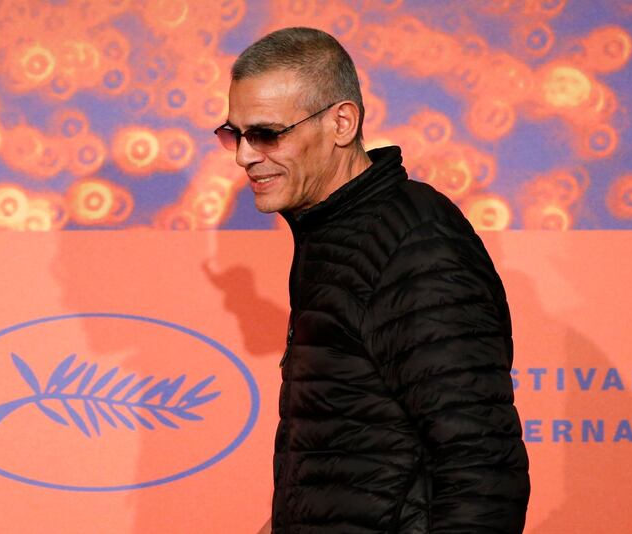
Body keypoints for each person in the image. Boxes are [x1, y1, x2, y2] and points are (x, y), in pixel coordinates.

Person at [215, 27, 530, 533]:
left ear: (342, 122)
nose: (243, 156)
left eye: (267, 134)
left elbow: (481, 464)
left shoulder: (413, 242)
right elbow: (352, 449)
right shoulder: (332, 233)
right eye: (234, 134)